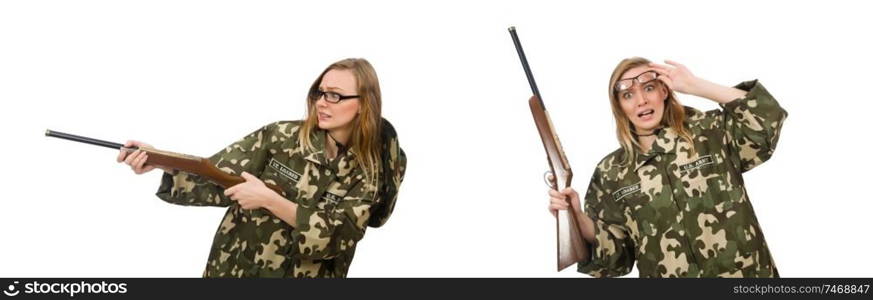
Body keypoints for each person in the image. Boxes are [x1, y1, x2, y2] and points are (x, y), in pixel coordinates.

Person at [118, 58, 407, 278]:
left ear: (364, 103)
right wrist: (161, 162)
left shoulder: (376, 164)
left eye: (335, 95)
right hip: (234, 271)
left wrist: (269, 200)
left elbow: (341, 235)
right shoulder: (280, 137)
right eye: (320, 93)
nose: (321, 102)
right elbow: (216, 176)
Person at [548, 57, 787, 277]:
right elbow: (616, 259)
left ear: (664, 91)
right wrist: (577, 217)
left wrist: (695, 85)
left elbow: (767, 120)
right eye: (628, 95)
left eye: (649, 88)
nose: (641, 100)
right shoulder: (611, 172)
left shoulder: (710, 133)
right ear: (619, 105)